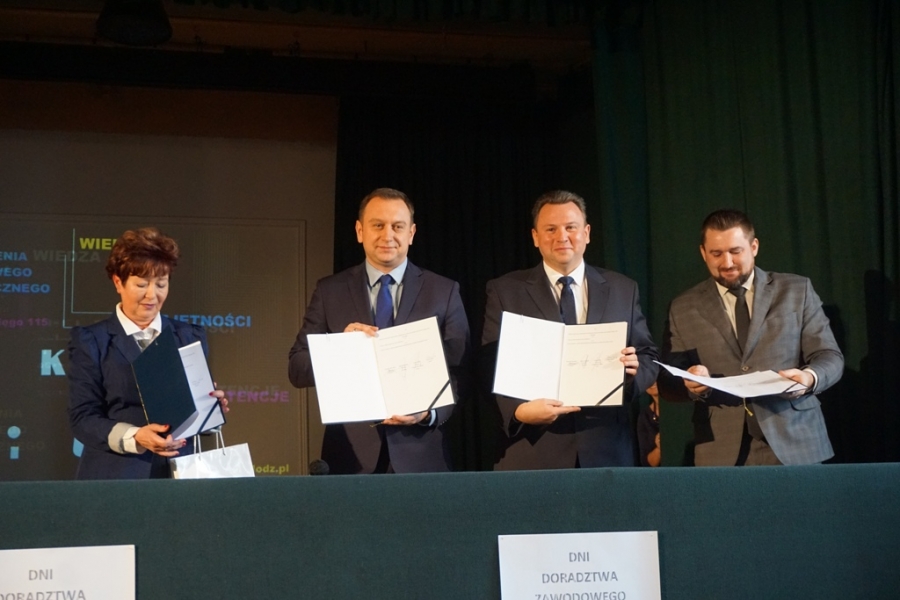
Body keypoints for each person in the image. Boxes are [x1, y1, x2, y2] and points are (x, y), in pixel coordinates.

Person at [288, 188, 469, 474]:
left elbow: (460, 371)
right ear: (360, 231)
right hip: (349, 459)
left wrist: (429, 414)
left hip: (422, 459)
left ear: (411, 233)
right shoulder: (330, 291)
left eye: (397, 226)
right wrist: (341, 349)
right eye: (378, 225)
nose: (388, 235)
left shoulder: (443, 291)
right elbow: (297, 369)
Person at [482, 190, 659, 469]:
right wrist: (520, 412)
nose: (562, 237)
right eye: (550, 229)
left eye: (571, 227)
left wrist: (632, 376)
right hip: (535, 449)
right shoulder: (505, 291)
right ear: (535, 237)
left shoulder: (623, 289)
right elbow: (489, 363)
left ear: (586, 233)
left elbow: (648, 355)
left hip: (607, 449)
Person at [659, 209, 844, 466]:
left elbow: (829, 356)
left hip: (796, 442)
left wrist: (810, 378)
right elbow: (668, 380)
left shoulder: (796, 290)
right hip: (720, 452)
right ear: (703, 253)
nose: (727, 263)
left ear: (754, 247)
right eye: (716, 254)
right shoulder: (683, 307)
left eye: (735, 251)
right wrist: (689, 382)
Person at [67, 227, 228, 479]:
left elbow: (194, 420)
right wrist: (135, 437)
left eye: (161, 284)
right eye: (141, 284)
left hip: (180, 475)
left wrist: (210, 409)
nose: (152, 295)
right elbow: (83, 418)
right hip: (116, 477)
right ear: (118, 282)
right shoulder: (92, 340)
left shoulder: (189, 336)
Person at [637, 382, 661, 467]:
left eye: (656, 377)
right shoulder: (644, 416)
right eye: (649, 378)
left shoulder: (682, 407)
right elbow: (647, 463)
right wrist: (659, 448)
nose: (652, 382)